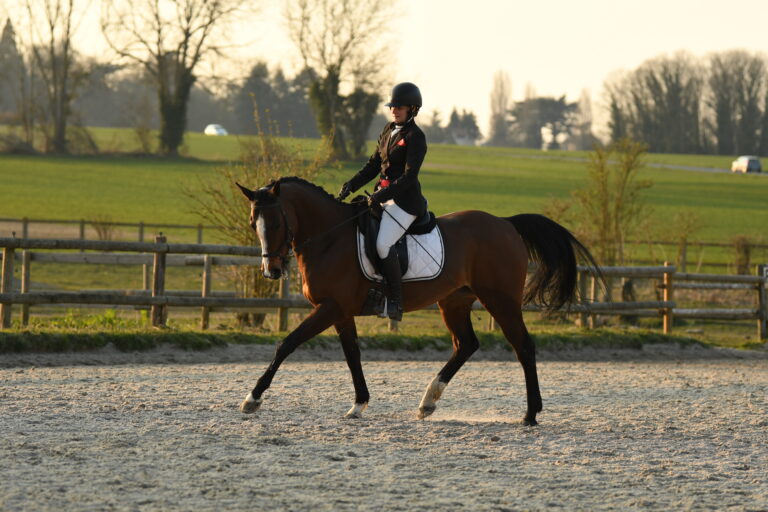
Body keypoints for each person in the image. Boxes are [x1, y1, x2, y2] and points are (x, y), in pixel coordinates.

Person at [338, 82, 428, 321]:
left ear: (412, 109)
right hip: (382, 199)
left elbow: (409, 178)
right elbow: (373, 166)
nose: (394, 110)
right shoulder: (388, 130)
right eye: (392, 106)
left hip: (405, 203)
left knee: (382, 245)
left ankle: (396, 302)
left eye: (399, 107)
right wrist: (351, 184)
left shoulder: (415, 137)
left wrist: (380, 196)